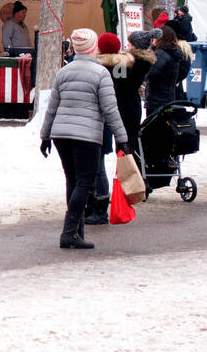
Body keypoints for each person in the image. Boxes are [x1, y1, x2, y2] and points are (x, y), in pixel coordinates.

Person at [39, 28, 129, 249]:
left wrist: (45, 136)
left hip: (61, 134)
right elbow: (110, 109)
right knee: (85, 182)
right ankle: (69, 232)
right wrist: (122, 138)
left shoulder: (63, 72)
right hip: (86, 135)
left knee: (72, 180)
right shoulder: (100, 74)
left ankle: (76, 232)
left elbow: (52, 108)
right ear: (92, 47)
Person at [88, 31, 151, 225]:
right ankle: (134, 184)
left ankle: (102, 200)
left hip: (110, 109)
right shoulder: (126, 62)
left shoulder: (99, 65)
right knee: (126, 148)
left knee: (104, 155)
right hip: (128, 106)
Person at [145, 25, 190, 117]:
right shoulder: (173, 53)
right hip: (168, 98)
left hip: (157, 100)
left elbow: (150, 74)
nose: (153, 39)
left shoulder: (160, 54)